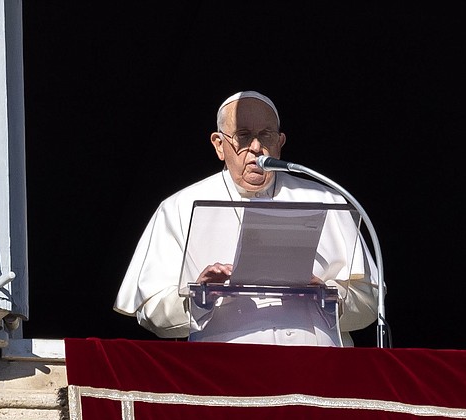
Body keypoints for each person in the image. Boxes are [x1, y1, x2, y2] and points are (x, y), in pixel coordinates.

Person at [114, 91, 379, 346]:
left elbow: (370, 301)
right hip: (226, 372)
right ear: (219, 144)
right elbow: (152, 310)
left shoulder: (327, 199)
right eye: (243, 136)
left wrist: (328, 295)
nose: (256, 147)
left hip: (317, 369)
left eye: (266, 135)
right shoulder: (178, 208)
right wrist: (199, 297)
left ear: (280, 142)